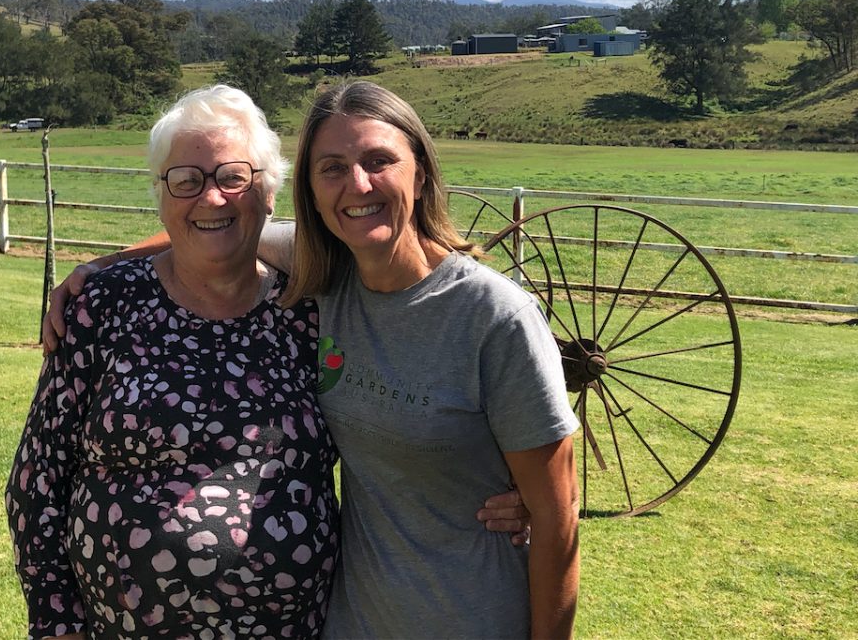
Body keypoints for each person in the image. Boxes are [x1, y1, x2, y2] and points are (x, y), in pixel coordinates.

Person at [44, 82, 576, 638]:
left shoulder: (495, 317)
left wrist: (530, 508)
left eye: (379, 161)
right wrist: (102, 267)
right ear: (312, 194)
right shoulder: (329, 281)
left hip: (470, 618)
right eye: (332, 168)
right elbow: (218, 222)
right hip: (352, 622)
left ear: (420, 173)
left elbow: (558, 524)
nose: (358, 185)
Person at [7, 85, 340, 639]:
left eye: (233, 177)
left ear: (269, 192)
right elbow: (37, 480)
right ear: (161, 196)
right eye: (186, 180)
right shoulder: (104, 306)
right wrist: (57, 622)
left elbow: (390, 431)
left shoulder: (310, 312)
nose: (211, 198)